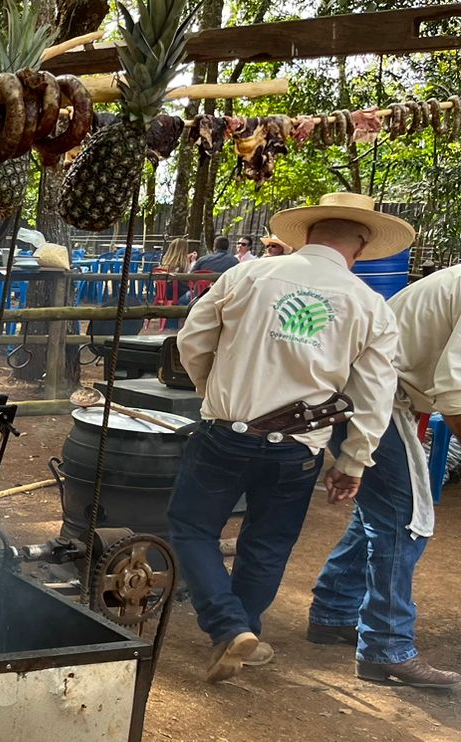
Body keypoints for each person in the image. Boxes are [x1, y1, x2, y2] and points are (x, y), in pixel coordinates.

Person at [167, 192, 409, 684]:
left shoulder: (248, 275)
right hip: (299, 448)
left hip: (227, 433)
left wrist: (212, 391)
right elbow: (375, 393)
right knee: (267, 545)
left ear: (309, 232)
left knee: (192, 528)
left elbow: (192, 339)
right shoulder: (370, 306)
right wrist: (355, 462)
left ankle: (230, 627)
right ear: (360, 245)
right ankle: (240, 631)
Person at [307, 262, 461, 689]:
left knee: (379, 515)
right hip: (372, 398)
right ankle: (386, 648)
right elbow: (455, 394)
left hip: (367, 394)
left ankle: (334, 611)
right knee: (405, 521)